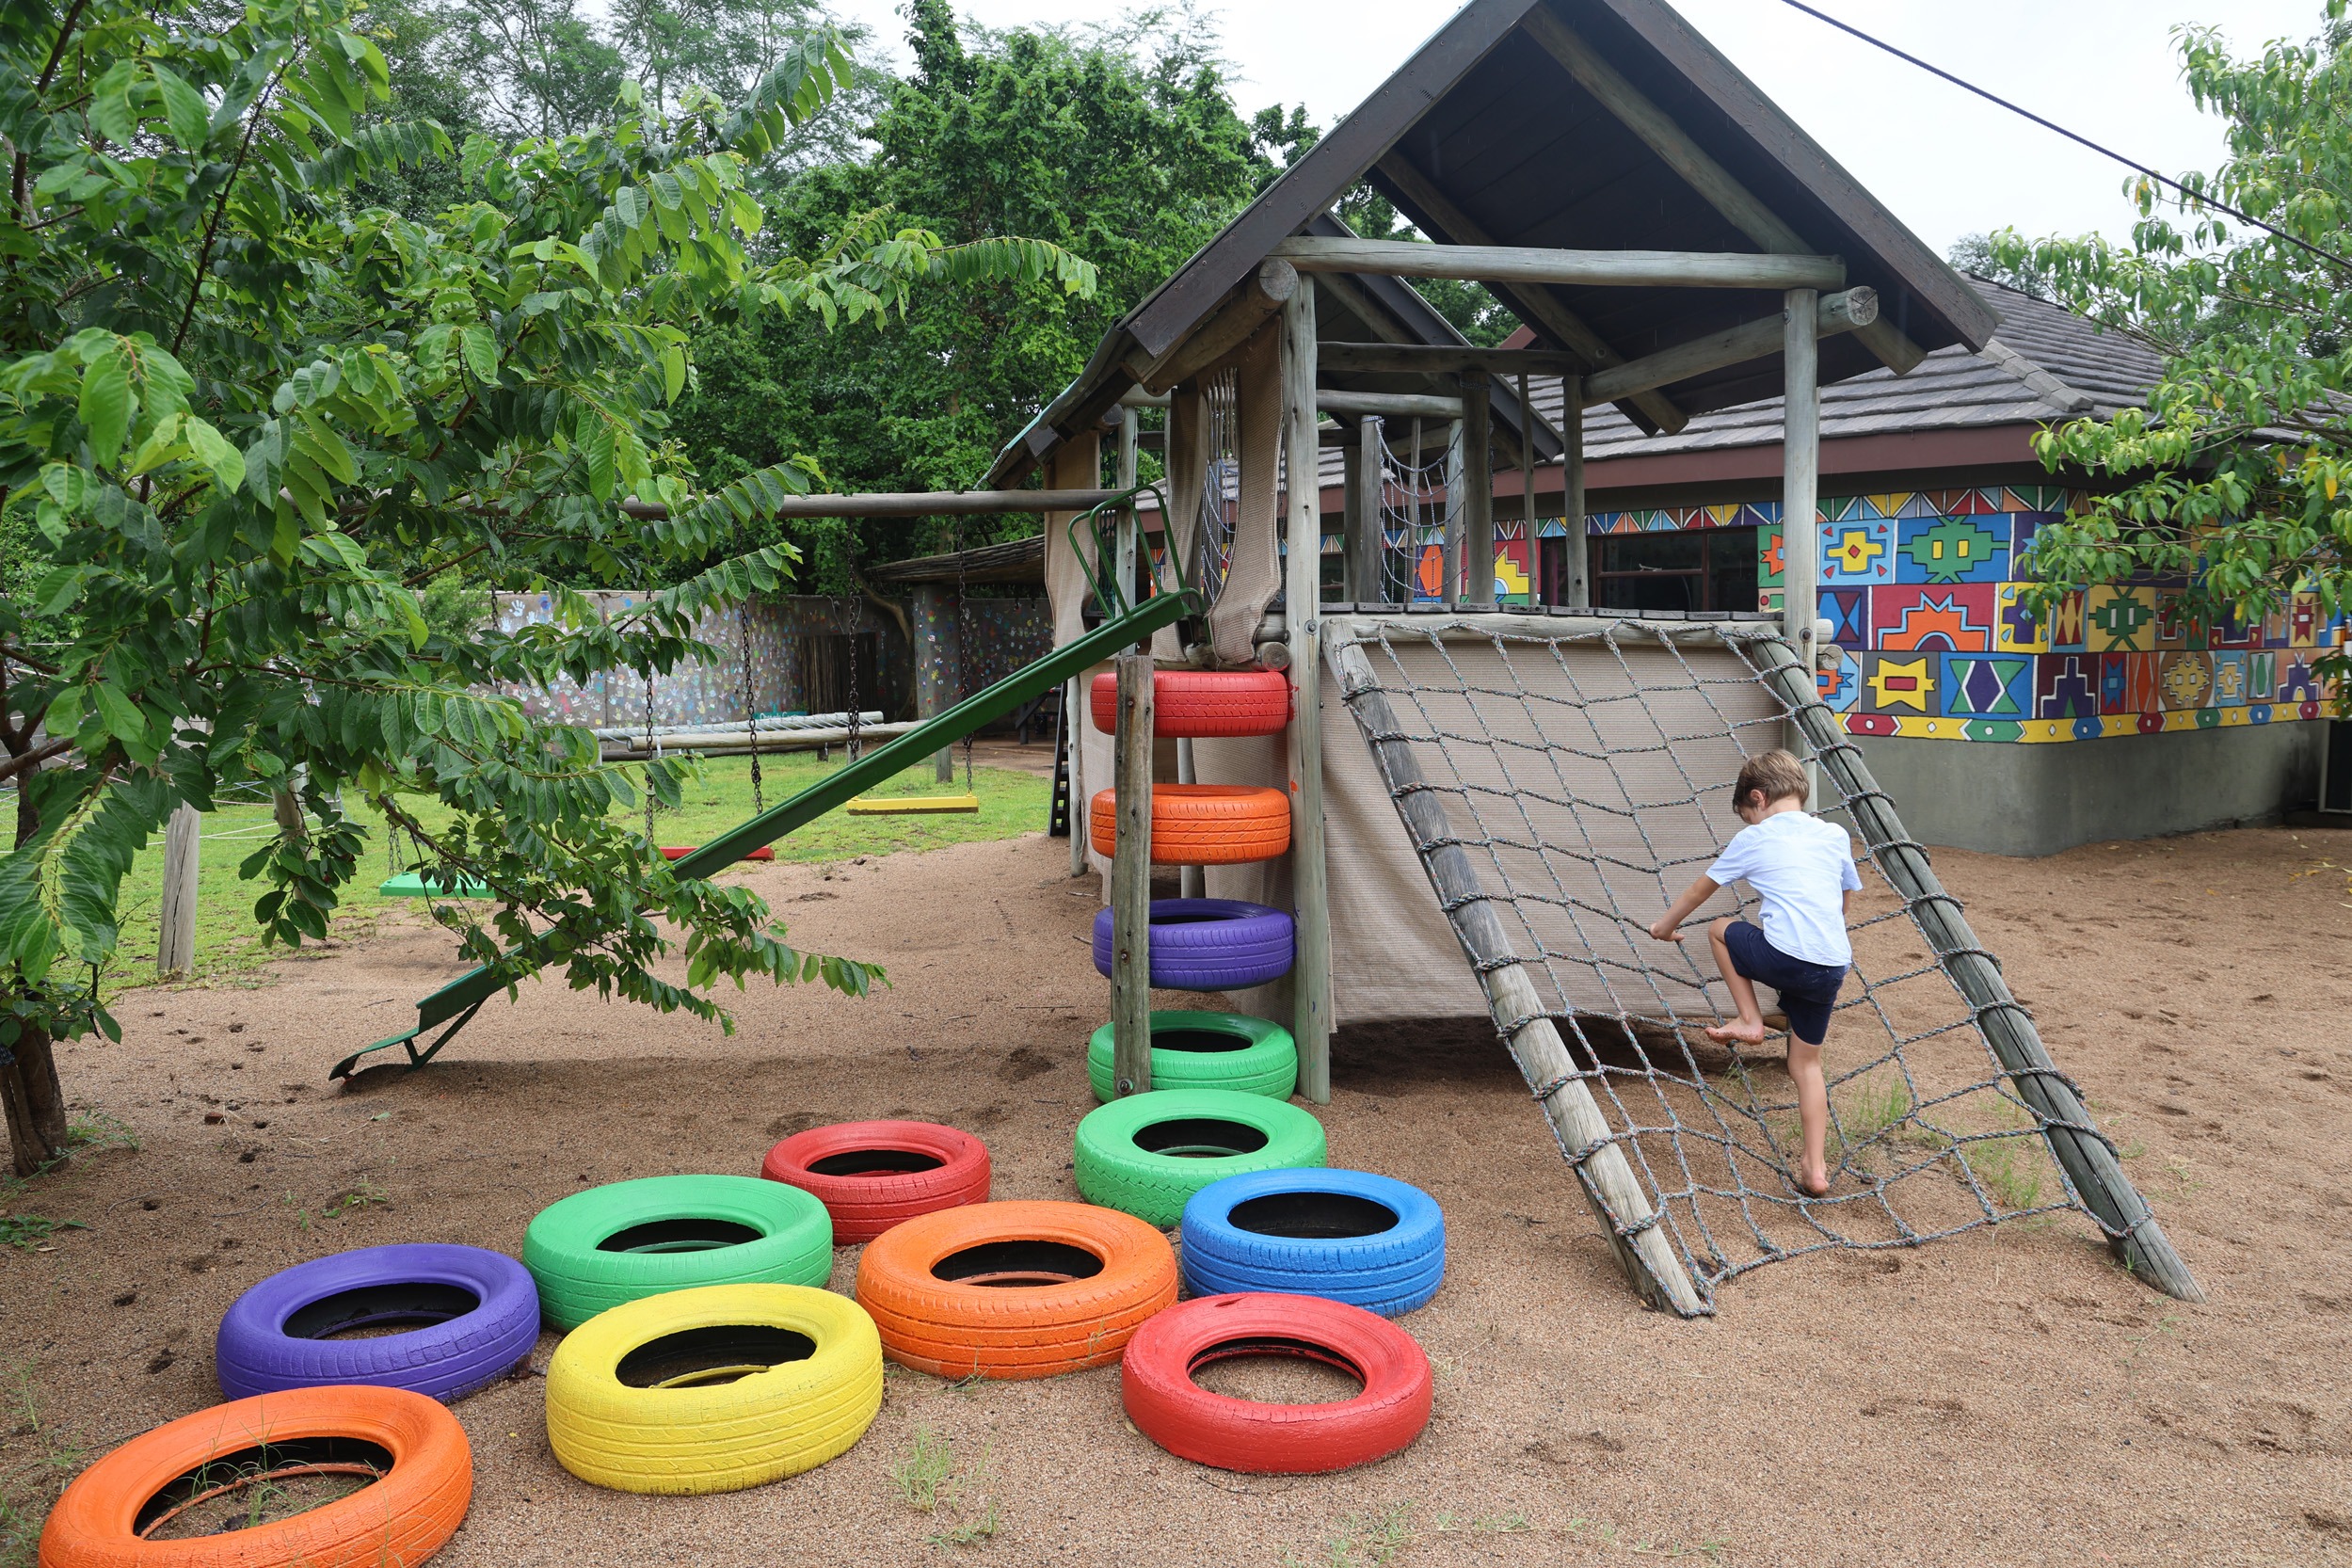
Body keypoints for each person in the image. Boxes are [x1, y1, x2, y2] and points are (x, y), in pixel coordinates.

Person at [1647, 748, 1860, 1198]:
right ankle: (1816, 1168)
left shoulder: (1753, 839)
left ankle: (1749, 1018)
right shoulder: (1835, 834)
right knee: (1805, 1063)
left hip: (1786, 956)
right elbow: (1843, 903)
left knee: (1721, 929)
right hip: (1833, 964)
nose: (1750, 825)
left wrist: (1664, 927)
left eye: (1748, 816)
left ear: (1758, 799)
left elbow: (1699, 890)